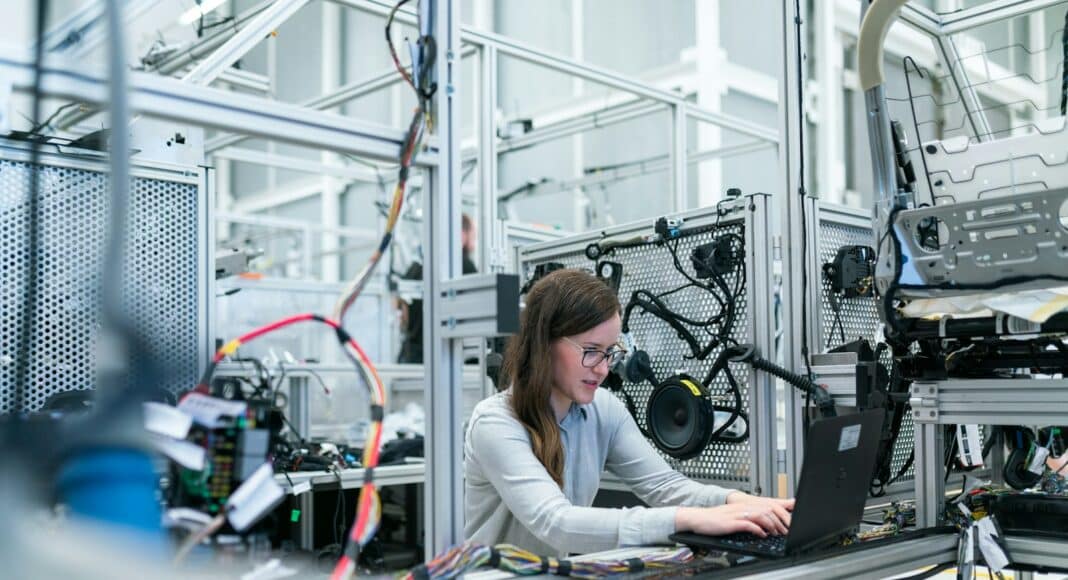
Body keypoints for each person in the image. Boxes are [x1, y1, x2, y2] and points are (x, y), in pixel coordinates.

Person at [464, 269, 793, 556]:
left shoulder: (603, 410)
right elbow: (557, 523)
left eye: (609, 352)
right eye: (591, 351)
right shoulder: (496, 422)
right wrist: (689, 519)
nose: (604, 368)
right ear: (543, 344)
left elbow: (665, 486)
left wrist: (743, 503)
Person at [397, 214, 477, 363]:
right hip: (443, 357)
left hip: (411, 357)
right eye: (473, 234)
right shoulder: (463, 264)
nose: (474, 241)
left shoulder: (417, 266)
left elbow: (401, 311)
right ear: (461, 234)